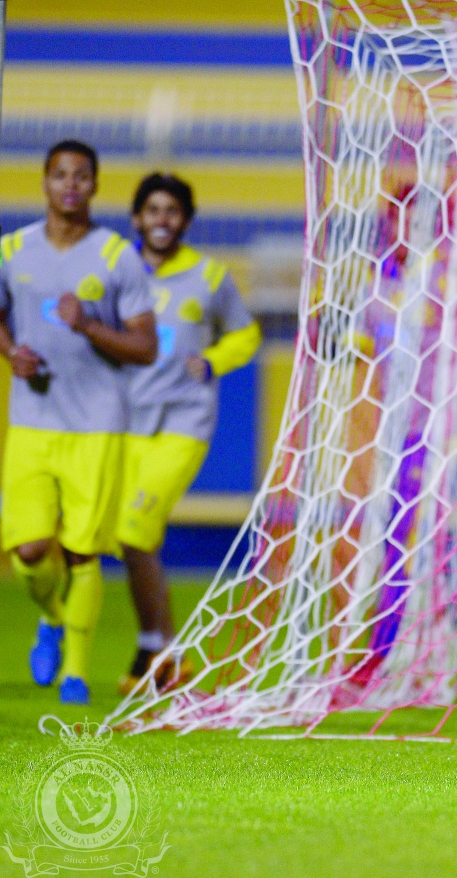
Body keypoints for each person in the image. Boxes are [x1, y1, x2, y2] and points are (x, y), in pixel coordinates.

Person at [0, 140, 157, 705]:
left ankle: (74, 672)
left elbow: (144, 345)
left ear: (94, 185)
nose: (71, 184)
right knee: (30, 551)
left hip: (98, 424)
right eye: (60, 175)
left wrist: (88, 326)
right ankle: (52, 616)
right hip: (33, 422)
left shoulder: (116, 256)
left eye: (82, 176)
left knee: (83, 552)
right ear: (44, 182)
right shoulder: (12, 250)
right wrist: (10, 351)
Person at [116, 173, 262, 695]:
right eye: (152, 210)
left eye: (172, 211)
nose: (162, 220)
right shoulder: (114, 270)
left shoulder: (208, 276)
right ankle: (159, 652)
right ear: (137, 217)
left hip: (184, 421)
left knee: (134, 532)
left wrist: (214, 359)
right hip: (122, 422)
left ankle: (156, 648)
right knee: (130, 540)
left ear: (186, 220)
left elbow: (246, 332)